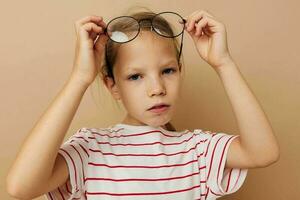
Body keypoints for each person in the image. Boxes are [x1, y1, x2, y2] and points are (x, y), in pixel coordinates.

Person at [6, 7, 280, 200]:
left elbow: (263, 152)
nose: (157, 89)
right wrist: (79, 78)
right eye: (136, 76)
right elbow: (21, 186)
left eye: (168, 71)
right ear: (112, 85)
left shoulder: (197, 151)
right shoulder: (91, 149)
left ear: (180, 70)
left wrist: (224, 63)